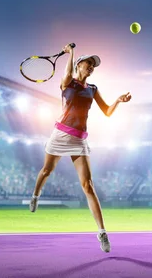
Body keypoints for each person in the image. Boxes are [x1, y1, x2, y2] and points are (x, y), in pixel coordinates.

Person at [29, 43, 131, 253]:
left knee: (88, 186)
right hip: (60, 134)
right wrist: (70, 52)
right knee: (47, 171)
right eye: (88, 63)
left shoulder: (93, 89)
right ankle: (35, 196)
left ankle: (102, 232)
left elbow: (107, 112)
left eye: (93, 65)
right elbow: (67, 73)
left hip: (79, 140)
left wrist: (118, 101)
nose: (91, 67)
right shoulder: (68, 83)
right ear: (79, 65)